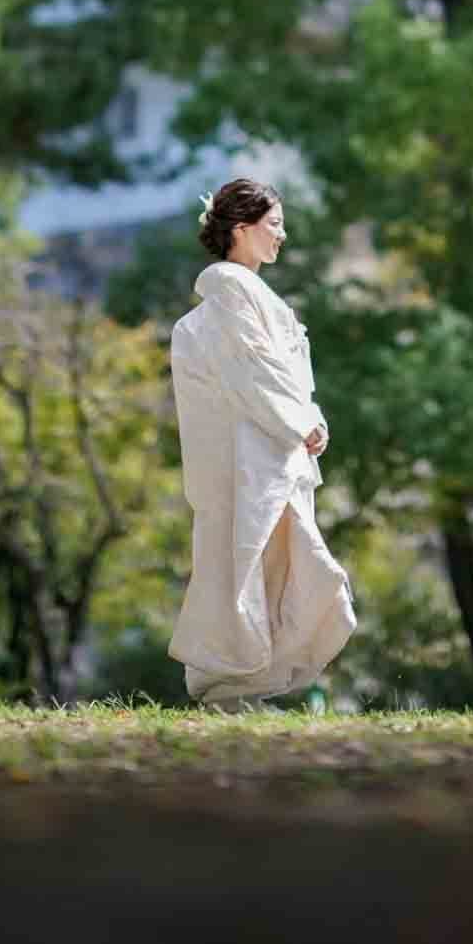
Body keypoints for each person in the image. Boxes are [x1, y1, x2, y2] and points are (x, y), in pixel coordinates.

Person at [169, 177, 356, 707]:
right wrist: (300, 421)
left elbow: (272, 372)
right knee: (259, 567)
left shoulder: (243, 293)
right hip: (255, 459)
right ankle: (232, 687)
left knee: (269, 567)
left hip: (269, 454)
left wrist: (307, 419)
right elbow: (254, 370)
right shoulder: (231, 291)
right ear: (240, 228)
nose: (281, 235)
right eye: (274, 224)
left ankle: (245, 688)